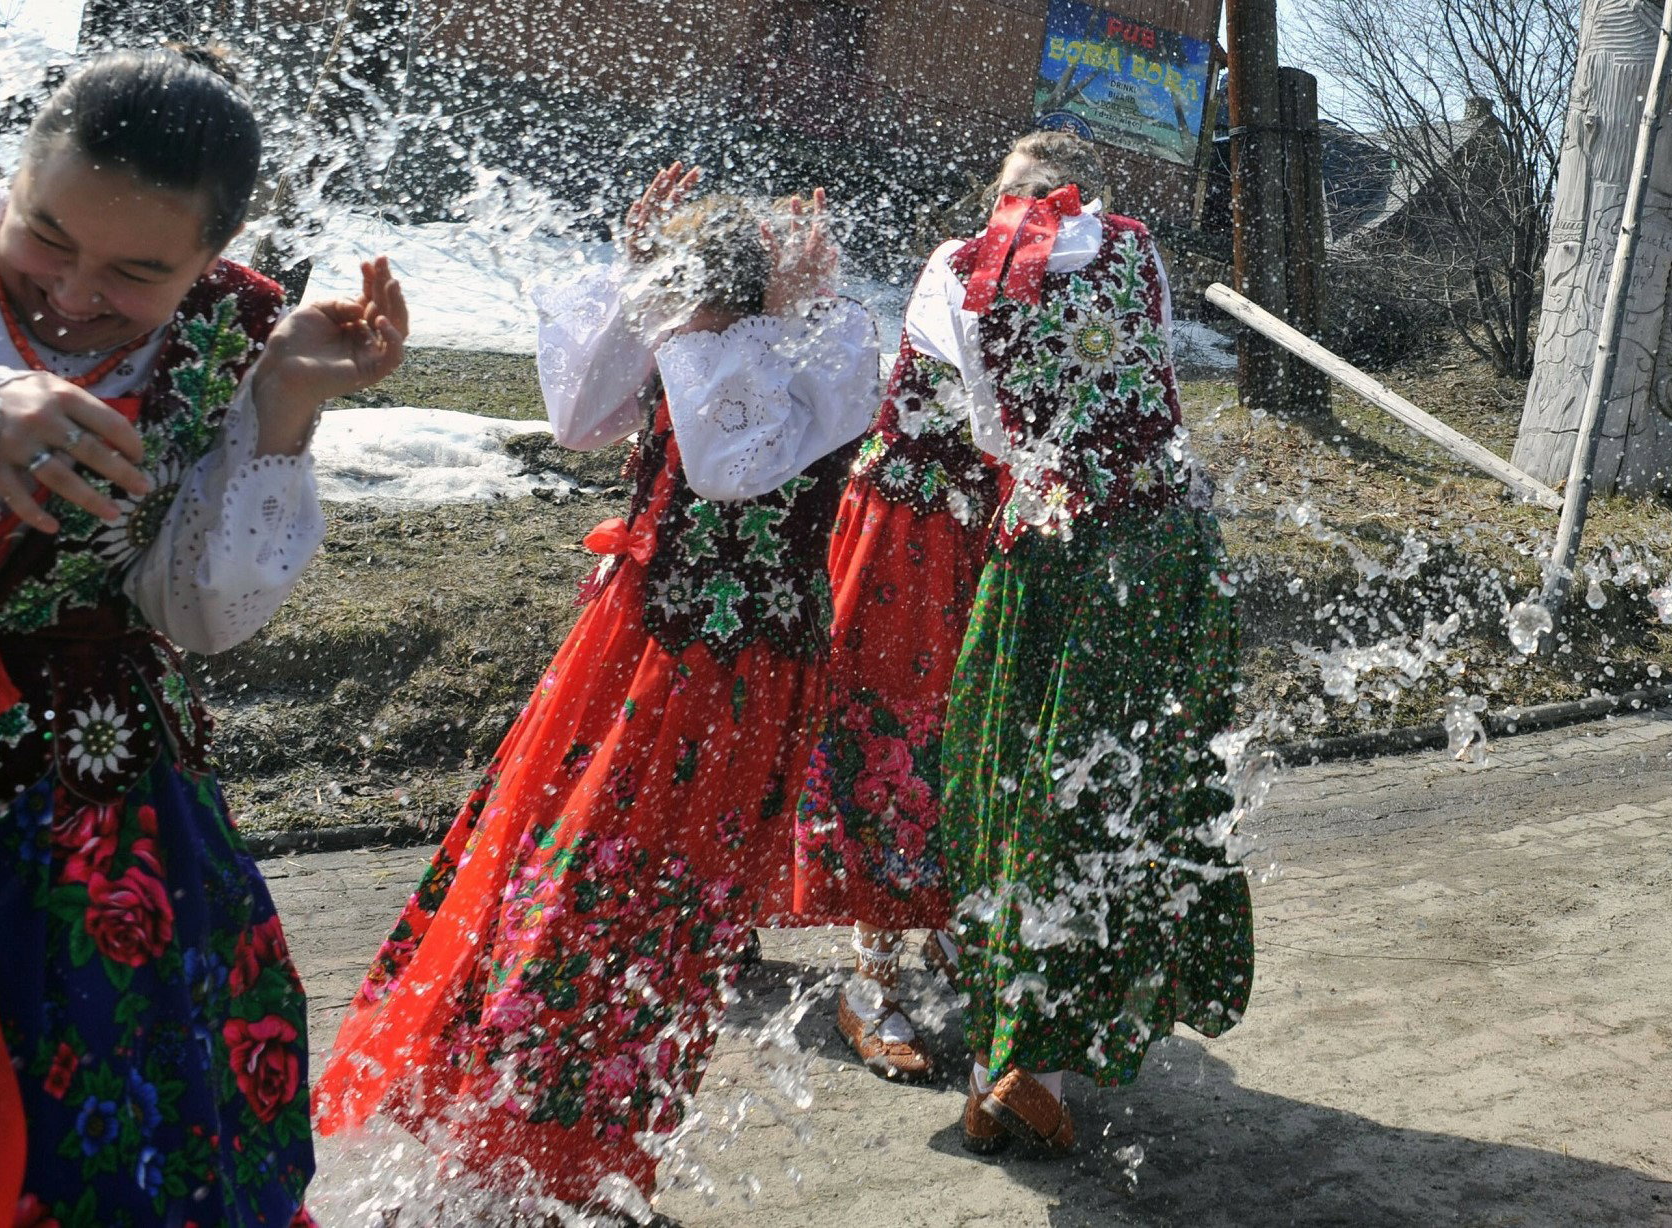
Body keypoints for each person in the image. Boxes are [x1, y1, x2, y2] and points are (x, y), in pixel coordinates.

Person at [0, 47, 409, 1226]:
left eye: (138, 271)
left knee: (94, 1127)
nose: (74, 293)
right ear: (13, 177)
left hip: (81, 792)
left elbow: (198, 611)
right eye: (44, 237)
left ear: (207, 257)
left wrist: (284, 404)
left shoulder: (236, 332)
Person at [313, 166, 877, 1224]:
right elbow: (577, 413)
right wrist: (638, 284)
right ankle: (502, 1140)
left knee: (647, 914)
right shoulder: (709, 339)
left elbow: (719, 460)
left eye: (693, 301)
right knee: (549, 875)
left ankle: (568, 1157)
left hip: (734, 676)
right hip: (629, 651)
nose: (680, 323)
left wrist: (722, 317)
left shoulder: (819, 350)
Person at [926, 131, 1254, 1155]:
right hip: (1156, 544)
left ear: (998, 195)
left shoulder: (954, 265)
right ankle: (1047, 1045)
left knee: (1015, 767)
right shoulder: (1135, 246)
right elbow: (1152, 375)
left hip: (1049, 546)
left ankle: (1009, 1047)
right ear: (1085, 195)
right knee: (1125, 770)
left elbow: (987, 429)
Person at [793, 252, 1003, 1083]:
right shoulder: (957, 271)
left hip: (985, 541)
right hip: (905, 545)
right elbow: (998, 411)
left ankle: (945, 919)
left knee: (974, 742)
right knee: (892, 742)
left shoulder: (1063, 282)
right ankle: (870, 978)